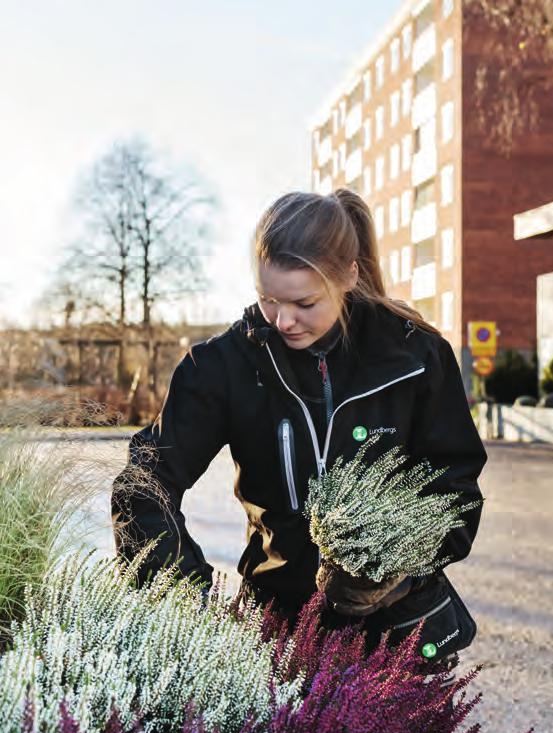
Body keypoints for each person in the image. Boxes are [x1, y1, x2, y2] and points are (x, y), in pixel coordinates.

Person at [111, 188, 487, 694]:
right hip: (277, 638)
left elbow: (455, 488)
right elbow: (142, 486)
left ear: (349, 276)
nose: (282, 321)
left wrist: (394, 565)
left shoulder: (416, 357)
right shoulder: (222, 368)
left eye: (304, 302)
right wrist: (185, 603)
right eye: (269, 299)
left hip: (400, 635)